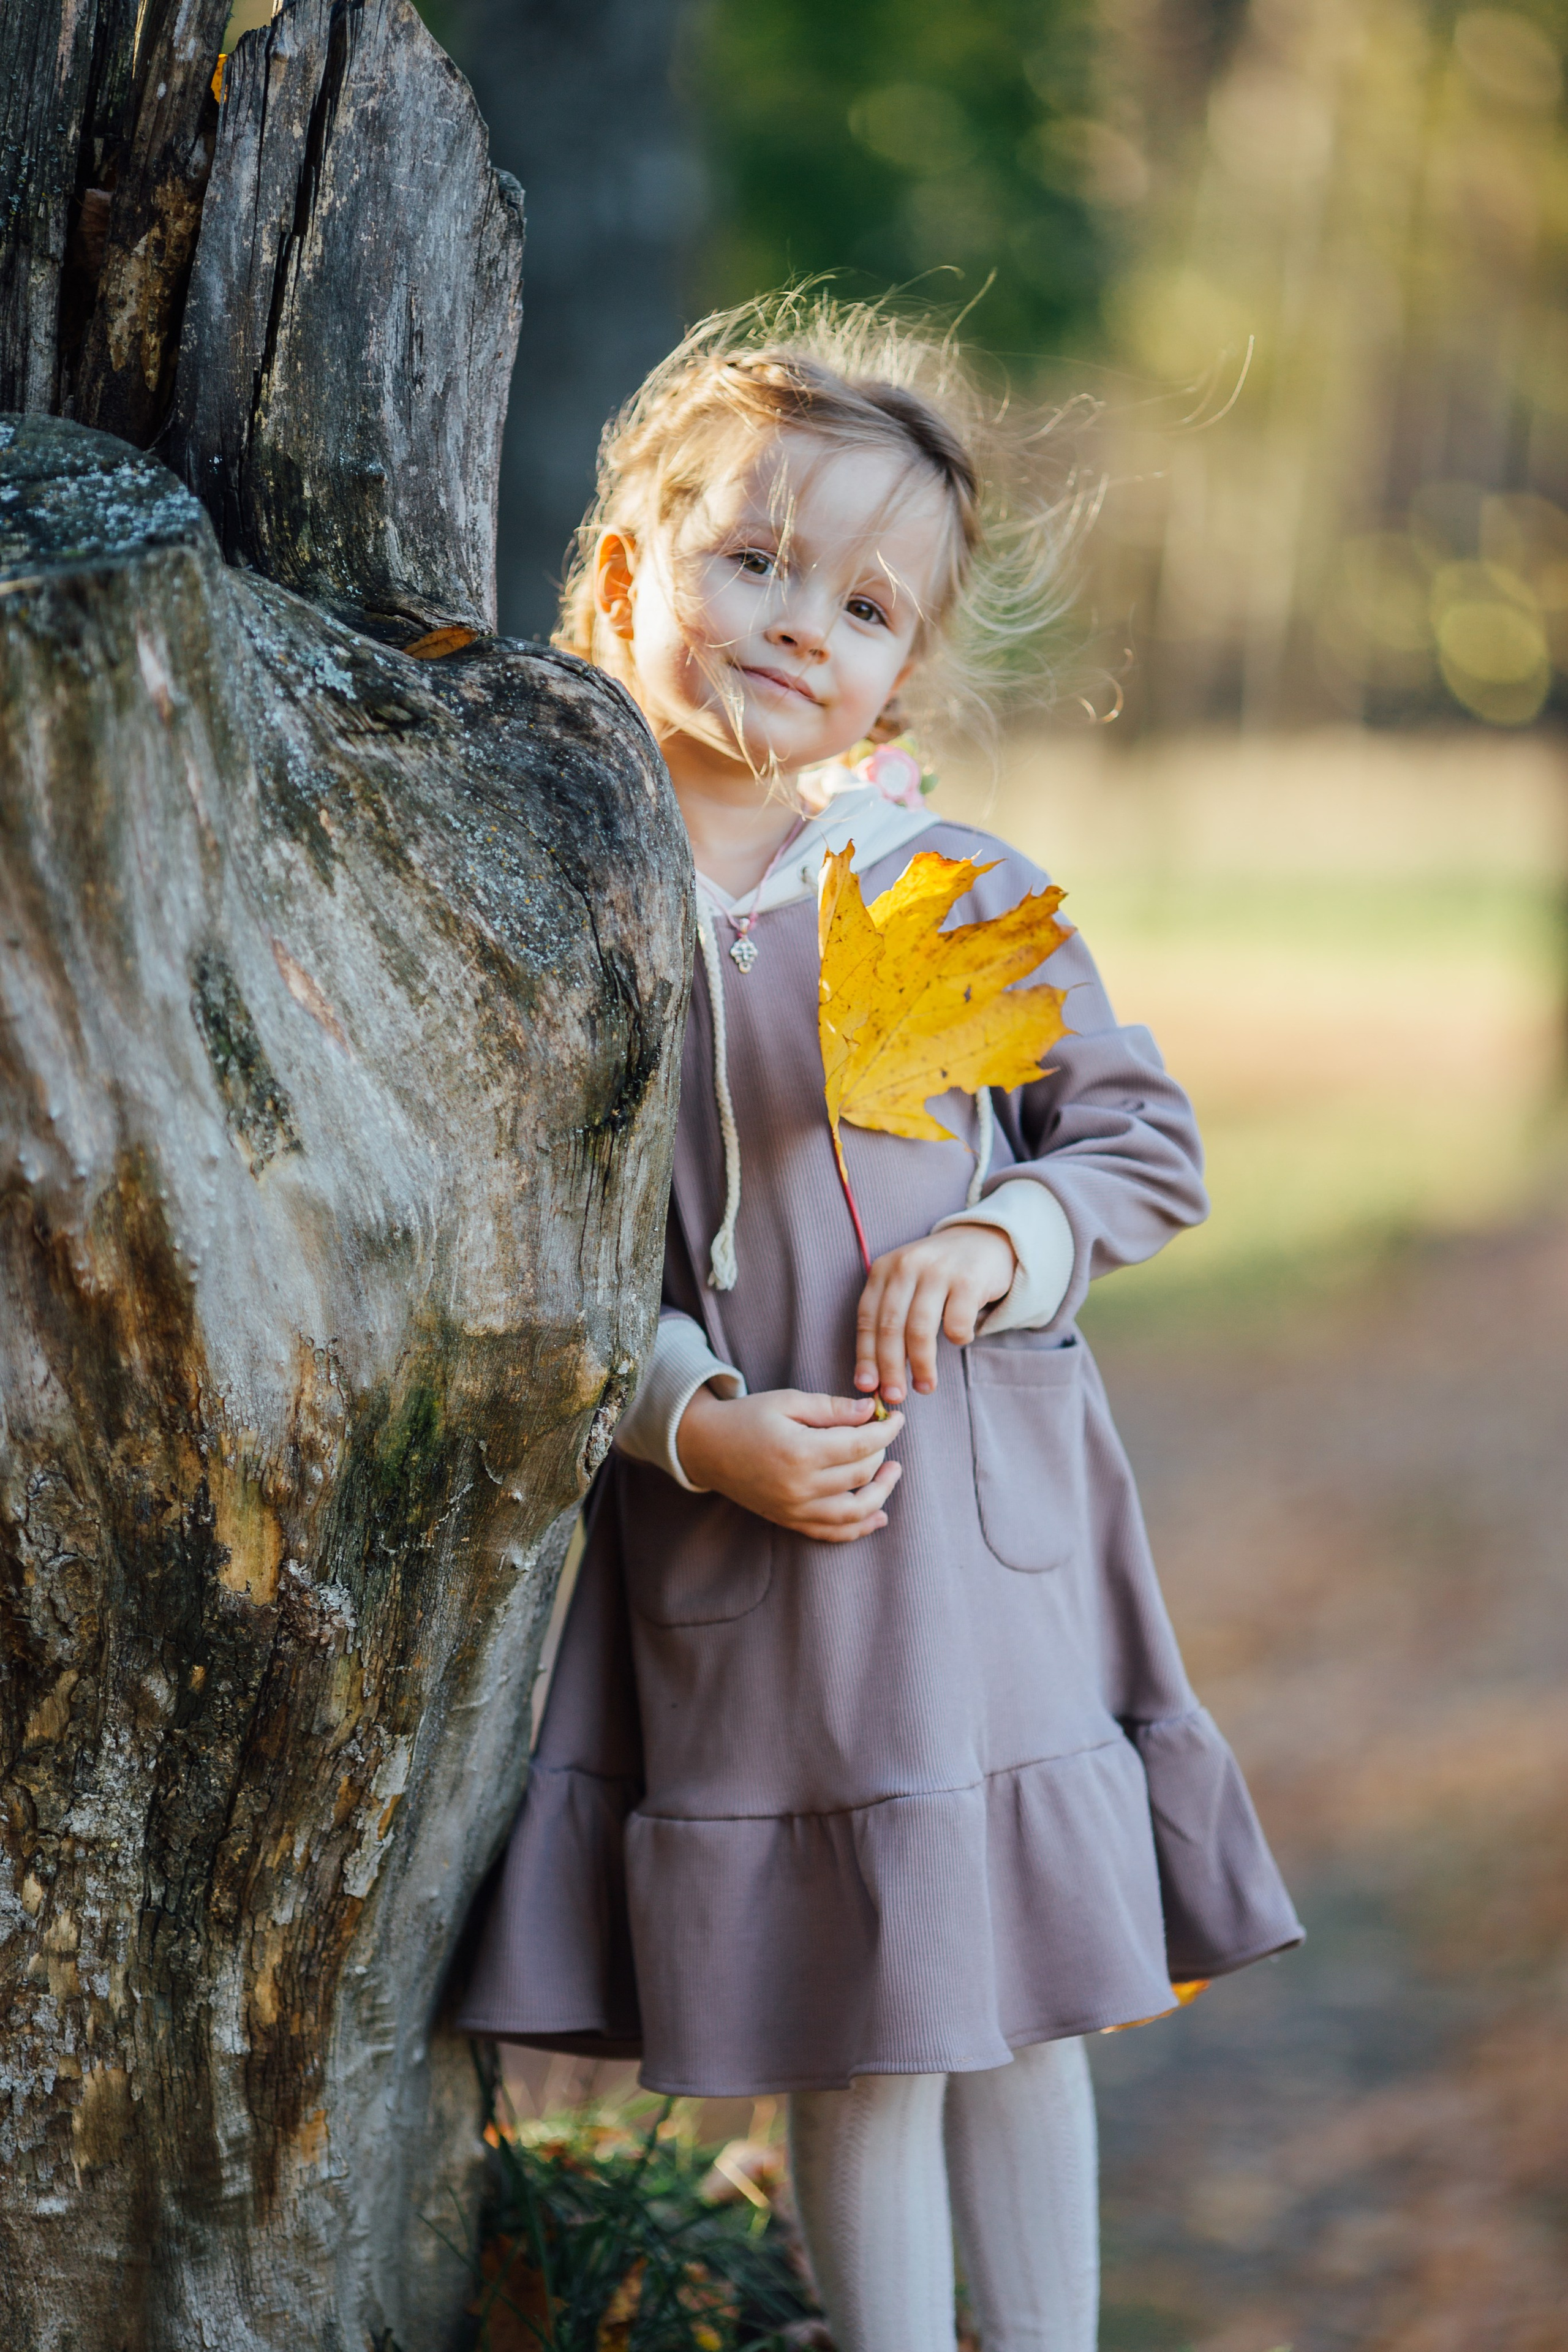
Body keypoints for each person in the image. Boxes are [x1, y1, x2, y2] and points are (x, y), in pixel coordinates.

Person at [458, 294, 1302, 2352]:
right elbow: (522, 1261)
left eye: (857, 604)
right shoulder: (563, 899)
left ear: (905, 664)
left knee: (1019, 2024)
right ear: (632, 560)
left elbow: (1137, 1147)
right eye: (752, 559)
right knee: (863, 2028)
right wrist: (689, 1419)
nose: (793, 624)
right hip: (765, 1557)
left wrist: (1004, 1241)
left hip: (991, 1556)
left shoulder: (941, 885)